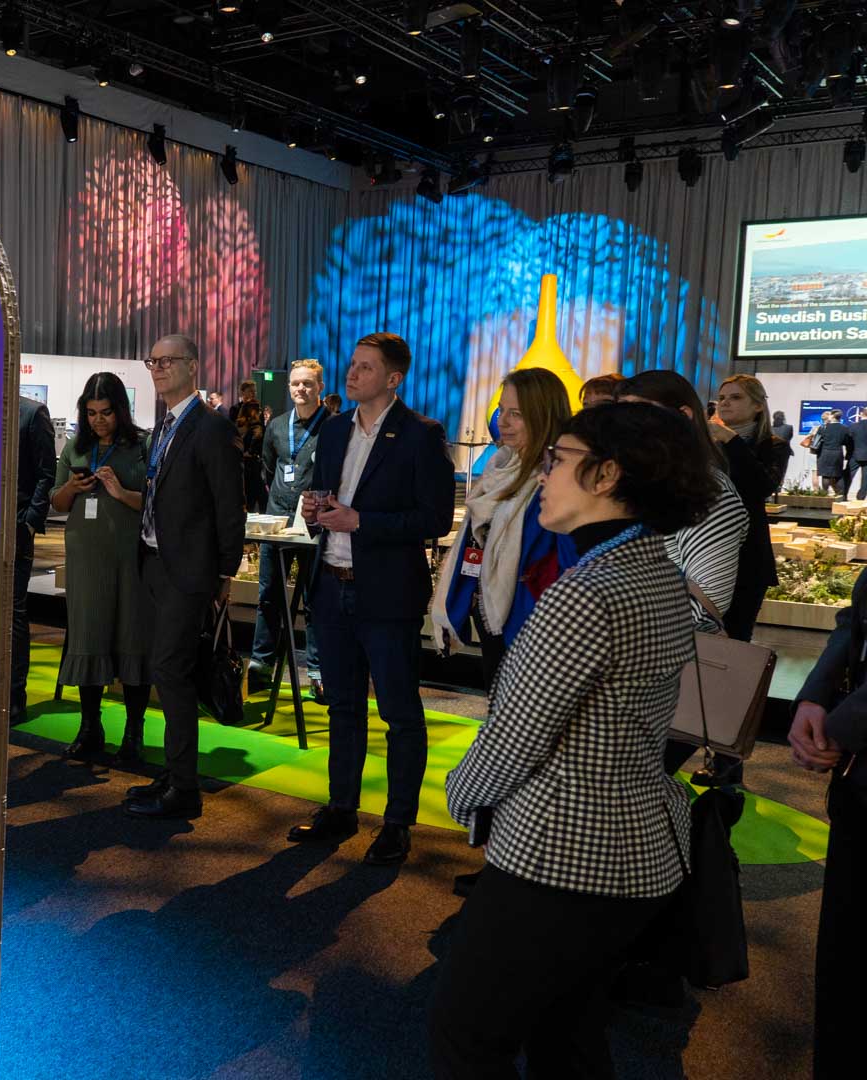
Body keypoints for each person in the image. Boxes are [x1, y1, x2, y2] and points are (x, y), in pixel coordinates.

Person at [428, 402, 715, 1077]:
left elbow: (511, 739)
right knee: (569, 1035)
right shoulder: (659, 571)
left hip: (563, 856)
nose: (545, 474)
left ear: (607, 473)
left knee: (467, 1037)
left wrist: (459, 796)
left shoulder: (588, 591)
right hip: (639, 851)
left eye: (558, 460)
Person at [289, 332, 453, 865]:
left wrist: (362, 521)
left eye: (364, 367)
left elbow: (431, 519)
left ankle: (398, 823)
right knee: (342, 707)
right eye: (352, 364)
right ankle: (341, 808)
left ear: (393, 378)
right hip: (331, 585)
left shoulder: (422, 436)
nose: (352, 373)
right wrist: (315, 512)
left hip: (387, 594)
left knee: (400, 714)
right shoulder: (335, 431)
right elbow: (322, 492)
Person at [121, 335, 244, 820]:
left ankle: (185, 789)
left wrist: (223, 572)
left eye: (168, 360)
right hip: (154, 562)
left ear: (193, 367)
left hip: (188, 571)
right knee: (167, 671)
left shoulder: (210, 427)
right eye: (153, 360)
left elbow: (228, 506)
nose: (158, 368)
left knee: (171, 672)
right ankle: (174, 773)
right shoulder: (164, 426)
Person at [618, 371, 753, 787]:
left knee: (628, 797)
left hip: (662, 679)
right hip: (625, 673)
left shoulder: (708, 494)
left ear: (683, 416)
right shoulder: (643, 484)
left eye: (642, 415)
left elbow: (707, 601)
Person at [430, 368, 576, 686]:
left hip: (533, 621)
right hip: (491, 610)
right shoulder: (500, 466)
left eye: (517, 414)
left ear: (543, 416)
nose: (503, 421)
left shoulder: (559, 476)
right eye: (502, 410)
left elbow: (566, 559)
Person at [787, 572, 867, 1080]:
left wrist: (837, 730)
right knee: (844, 967)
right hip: (856, 786)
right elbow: (853, 619)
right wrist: (816, 695)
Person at [52, 373, 152, 761]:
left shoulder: (142, 446)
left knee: (132, 638)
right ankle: (90, 728)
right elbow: (57, 503)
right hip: (84, 555)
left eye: (106, 412)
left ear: (120, 411)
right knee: (87, 637)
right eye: (91, 413)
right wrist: (72, 489)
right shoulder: (76, 448)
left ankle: (134, 732)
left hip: (131, 555)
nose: (98, 420)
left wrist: (120, 492)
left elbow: (156, 503)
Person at [250, 359, 328, 698]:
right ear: (289, 386)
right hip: (277, 521)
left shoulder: (335, 428)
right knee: (268, 596)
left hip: (316, 525)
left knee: (316, 601)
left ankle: (318, 672)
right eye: (296, 383)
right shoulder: (278, 427)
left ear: (320, 387)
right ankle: (261, 665)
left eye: (308, 383)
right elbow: (269, 468)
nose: (301, 389)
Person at [713, 374, 790, 638]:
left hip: (747, 556)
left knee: (735, 640)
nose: (725, 403)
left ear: (758, 405)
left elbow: (762, 486)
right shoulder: (706, 445)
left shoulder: (773, 445)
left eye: (736, 397)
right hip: (705, 550)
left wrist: (731, 440)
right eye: (722, 398)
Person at [10, 392, 57, 722]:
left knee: (12, 611)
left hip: (15, 525)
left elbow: (46, 472)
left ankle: (14, 695)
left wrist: (29, 522)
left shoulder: (32, 412)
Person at [230, 379, 268, 512]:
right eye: (250, 391)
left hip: (253, 456)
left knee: (256, 492)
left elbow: (260, 431)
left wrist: (252, 451)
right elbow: (233, 432)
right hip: (240, 455)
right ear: (242, 392)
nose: (253, 394)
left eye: (254, 391)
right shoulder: (235, 409)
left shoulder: (258, 409)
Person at [806, 410, 850, 495]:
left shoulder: (823, 427)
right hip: (837, 453)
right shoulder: (845, 428)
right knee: (838, 475)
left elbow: (816, 441)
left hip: (824, 453)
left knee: (825, 475)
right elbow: (846, 442)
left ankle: (824, 494)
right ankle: (841, 496)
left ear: (832, 416)